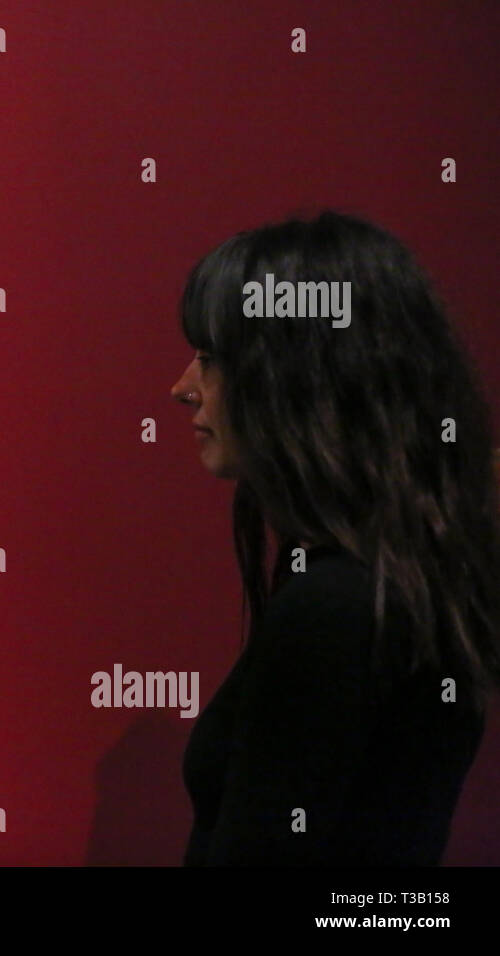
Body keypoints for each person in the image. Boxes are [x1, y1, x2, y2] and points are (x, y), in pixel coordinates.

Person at [170, 211, 500, 865]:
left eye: (211, 360)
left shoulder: (337, 606)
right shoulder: (400, 585)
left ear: (297, 378)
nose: (183, 388)